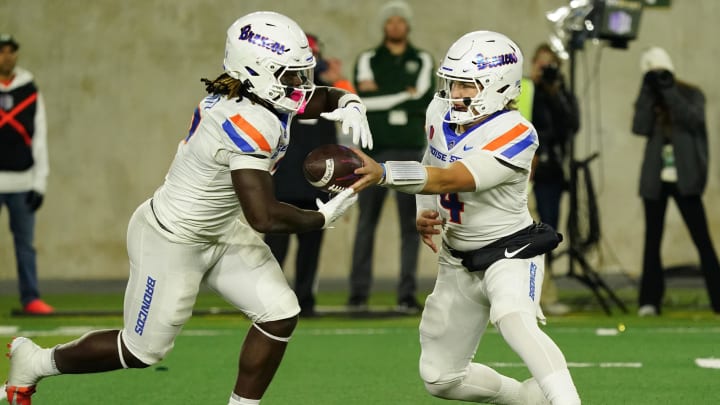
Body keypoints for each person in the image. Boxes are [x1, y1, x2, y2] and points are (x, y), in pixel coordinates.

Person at [3, 11, 372, 405]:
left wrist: (346, 99)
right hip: (173, 238)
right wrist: (320, 216)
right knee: (141, 351)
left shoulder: (247, 91)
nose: (300, 85)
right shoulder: (245, 121)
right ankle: (37, 361)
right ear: (258, 73)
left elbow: (309, 98)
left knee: (279, 313)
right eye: (290, 75)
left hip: (222, 229)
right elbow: (263, 216)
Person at [351, 31, 581, 404]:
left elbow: (456, 177)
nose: (455, 93)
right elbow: (434, 161)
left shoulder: (516, 132)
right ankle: (524, 399)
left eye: (466, 85)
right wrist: (426, 211)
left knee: (513, 318)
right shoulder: (439, 112)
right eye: (453, 82)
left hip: (510, 251)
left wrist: (384, 174)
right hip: (457, 259)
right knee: (440, 379)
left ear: (497, 85)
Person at [348, 0, 435, 313]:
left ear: (407, 25)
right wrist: (403, 95)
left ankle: (406, 293)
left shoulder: (422, 59)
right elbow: (364, 101)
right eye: (390, 21)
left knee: (411, 225)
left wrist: (386, 96)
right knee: (365, 224)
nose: (395, 25)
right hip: (373, 152)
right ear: (384, 26)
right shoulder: (369, 58)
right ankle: (358, 294)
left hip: (411, 152)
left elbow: (425, 100)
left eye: (400, 21)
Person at [263, 33, 355, 318]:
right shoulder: (273, 95)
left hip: (316, 187)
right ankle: (268, 302)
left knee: (310, 252)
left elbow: (350, 125)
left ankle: (305, 301)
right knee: (273, 252)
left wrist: (344, 185)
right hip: (281, 186)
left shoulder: (329, 93)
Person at [632, 46, 720, 316]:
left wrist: (668, 89)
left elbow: (691, 119)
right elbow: (639, 126)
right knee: (652, 241)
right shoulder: (650, 99)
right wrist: (647, 92)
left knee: (702, 240)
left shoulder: (692, 94)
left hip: (686, 178)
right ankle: (649, 301)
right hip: (655, 181)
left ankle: (718, 299)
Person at [0, 34, 54, 315]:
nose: (6, 57)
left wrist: (40, 182)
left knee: (25, 246)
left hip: (23, 180)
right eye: (1, 52)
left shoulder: (29, 89)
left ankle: (31, 298)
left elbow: (40, 135)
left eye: (11, 52)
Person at [528, 44, 580, 316]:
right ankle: (529, 295)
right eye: (541, 64)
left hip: (550, 174)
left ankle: (546, 294)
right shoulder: (524, 90)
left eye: (551, 65)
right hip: (524, 172)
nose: (545, 70)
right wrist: (535, 87)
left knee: (546, 235)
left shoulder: (561, 94)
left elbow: (571, 126)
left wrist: (555, 92)